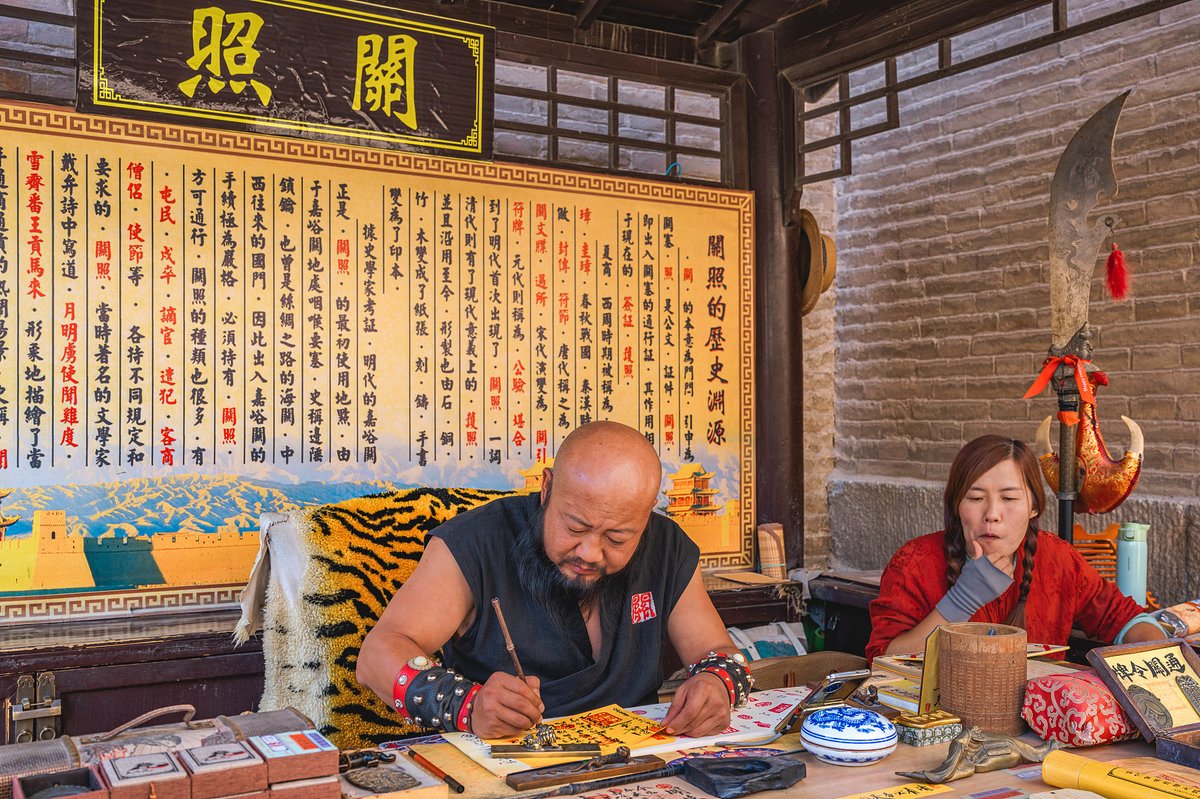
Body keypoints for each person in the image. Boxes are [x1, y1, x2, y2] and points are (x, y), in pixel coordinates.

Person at [357, 421, 750, 739]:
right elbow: (376, 656)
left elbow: (719, 652)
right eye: (575, 526)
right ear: (546, 488)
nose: (590, 553)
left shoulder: (666, 548)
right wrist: (469, 707)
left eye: (618, 538)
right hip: (508, 765)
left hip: (637, 760)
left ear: (646, 517)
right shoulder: (475, 544)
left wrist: (717, 683)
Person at [866, 434, 1163, 662]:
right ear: (956, 505)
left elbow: (1123, 618)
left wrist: (1166, 660)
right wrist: (959, 602)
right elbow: (884, 661)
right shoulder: (915, 563)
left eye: (1009, 499)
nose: (992, 513)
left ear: (1033, 506)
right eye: (975, 497)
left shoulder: (1058, 559)